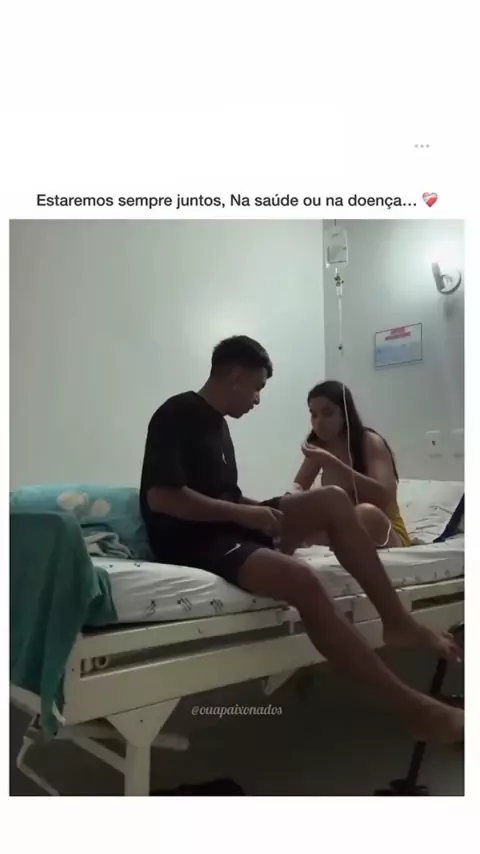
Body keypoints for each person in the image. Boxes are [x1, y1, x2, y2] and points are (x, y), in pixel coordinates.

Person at [140, 335, 463, 744]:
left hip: (223, 526)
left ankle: (397, 622)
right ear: (235, 376)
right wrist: (243, 514)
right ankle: (418, 711)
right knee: (303, 580)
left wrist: (258, 510)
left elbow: (226, 495)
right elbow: (163, 497)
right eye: (257, 388)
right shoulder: (177, 413)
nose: (257, 399)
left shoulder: (219, 426)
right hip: (193, 540)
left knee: (333, 500)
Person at [293, 380, 411, 549]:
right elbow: (296, 491)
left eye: (327, 413)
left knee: (365, 513)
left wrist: (333, 463)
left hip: (383, 530)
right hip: (341, 529)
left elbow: (385, 497)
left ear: (345, 414)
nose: (319, 423)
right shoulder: (319, 447)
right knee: (293, 520)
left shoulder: (369, 442)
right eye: (314, 415)